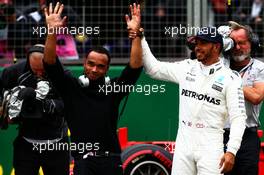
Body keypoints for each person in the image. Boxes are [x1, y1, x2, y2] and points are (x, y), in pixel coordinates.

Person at [128, 10, 247, 175]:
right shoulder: (187, 67)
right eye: (196, 43)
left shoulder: (230, 78)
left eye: (203, 43)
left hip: (211, 144)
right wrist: (141, 37)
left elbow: (239, 118)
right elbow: (153, 69)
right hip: (183, 141)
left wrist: (232, 150)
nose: (197, 47)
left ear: (216, 47)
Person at [43, 2, 142, 175]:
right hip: (84, 162)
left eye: (100, 66)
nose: (94, 69)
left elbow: (134, 67)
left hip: (111, 160)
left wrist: (136, 35)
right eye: (91, 64)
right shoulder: (71, 87)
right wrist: (52, 31)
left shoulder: (113, 89)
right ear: (84, 63)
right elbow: (50, 63)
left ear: (107, 69)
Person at [1, 44, 69, 175]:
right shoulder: (14, 71)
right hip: (26, 142)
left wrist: (41, 102)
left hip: (56, 143)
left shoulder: (63, 74)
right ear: (28, 61)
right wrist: (8, 107)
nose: (39, 74)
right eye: (35, 70)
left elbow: (69, 105)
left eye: (42, 71)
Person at [223, 21, 264, 175]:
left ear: (252, 44)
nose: (238, 48)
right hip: (219, 136)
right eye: (234, 43)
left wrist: (233, 81)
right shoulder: (220, 65)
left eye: (242, 43)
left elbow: (256, 96)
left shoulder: (259, 68)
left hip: (247, 138)